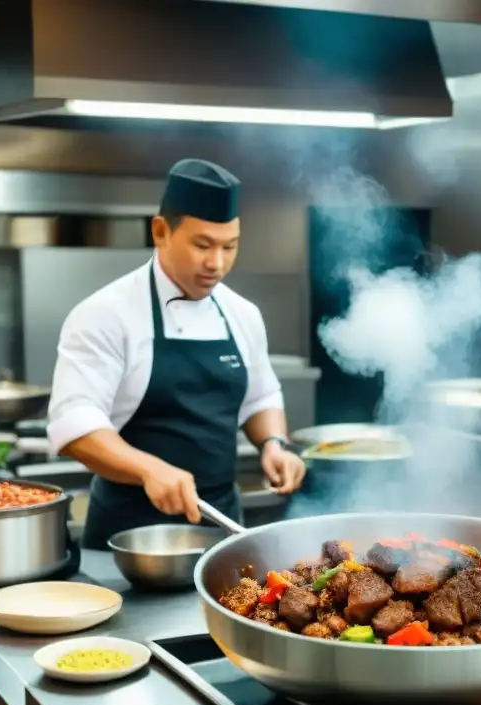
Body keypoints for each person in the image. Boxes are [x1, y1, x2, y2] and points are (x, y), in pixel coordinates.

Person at [47, 158, 307, 549]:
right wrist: (148, 469)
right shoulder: (106, 313)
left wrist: (274, 444)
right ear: (160, 231)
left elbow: (261, 396)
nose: (216, 263)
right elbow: (73, 425)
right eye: (202, 245)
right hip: (128, 537)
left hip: (221, 525)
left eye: (229, 247)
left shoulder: (242, 313)